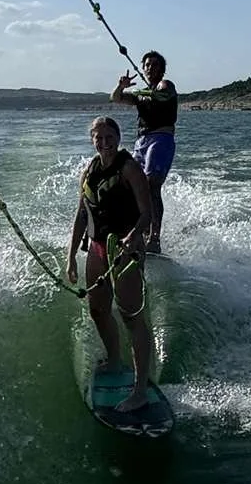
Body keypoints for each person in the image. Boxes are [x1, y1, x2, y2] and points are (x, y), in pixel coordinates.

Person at [66, 116, 155, 412]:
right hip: (97, 249)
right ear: (92, 140)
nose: (104, 142)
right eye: (98, 137)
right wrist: (71, 258)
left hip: (126, 250)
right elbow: (81, 215)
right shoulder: (89, 171)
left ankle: (140, 389)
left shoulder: (129, 168)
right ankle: (115, 359)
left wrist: (133, 235)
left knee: (131, 317)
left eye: (109, 136)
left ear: (118, 137)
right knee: (98, 310)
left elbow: (147, 213)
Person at [111, 50, 177, 254]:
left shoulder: (165, 85)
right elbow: (115, 98)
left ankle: (155, 238)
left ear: (162, 69)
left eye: (155, 65)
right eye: (147, 65)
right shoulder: (141, 95)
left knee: (151, 184)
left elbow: (164, 94)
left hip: (161, 139)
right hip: (141, 141)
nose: (150, 68)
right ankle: (138, 232)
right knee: (133, 186)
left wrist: (143, 93)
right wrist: (121, 86)